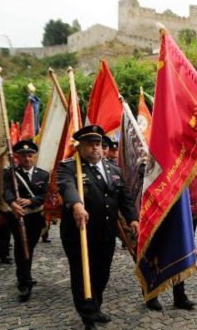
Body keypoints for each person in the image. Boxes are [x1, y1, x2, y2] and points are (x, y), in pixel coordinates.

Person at [58, 125, 139, 330]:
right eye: (89, 144)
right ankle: (87, 316)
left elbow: (125, 198)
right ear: (80, 147)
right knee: (83, 273)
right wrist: (76, 204)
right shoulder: (69, 167)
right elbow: (67, 186)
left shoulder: (113, 169)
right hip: (80, 232)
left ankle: (96, 306)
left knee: (102, 273)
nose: (95, 148)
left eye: (98, 144)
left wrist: (133, 219)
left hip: (106, 232)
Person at [4, 139, 49, 301]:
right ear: (18, 157)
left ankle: (26, 273)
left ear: (34, 156)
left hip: (36, 217)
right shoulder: (10, 173)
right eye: (23, 156)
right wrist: (12, 203)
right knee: (21, 247)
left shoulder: (43, 174)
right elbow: (7, 190)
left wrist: (31, 201)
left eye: (30, 155)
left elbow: (45, 195)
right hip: (17, 216)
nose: (27, 159)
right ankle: (24, 282)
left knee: (30, 246)